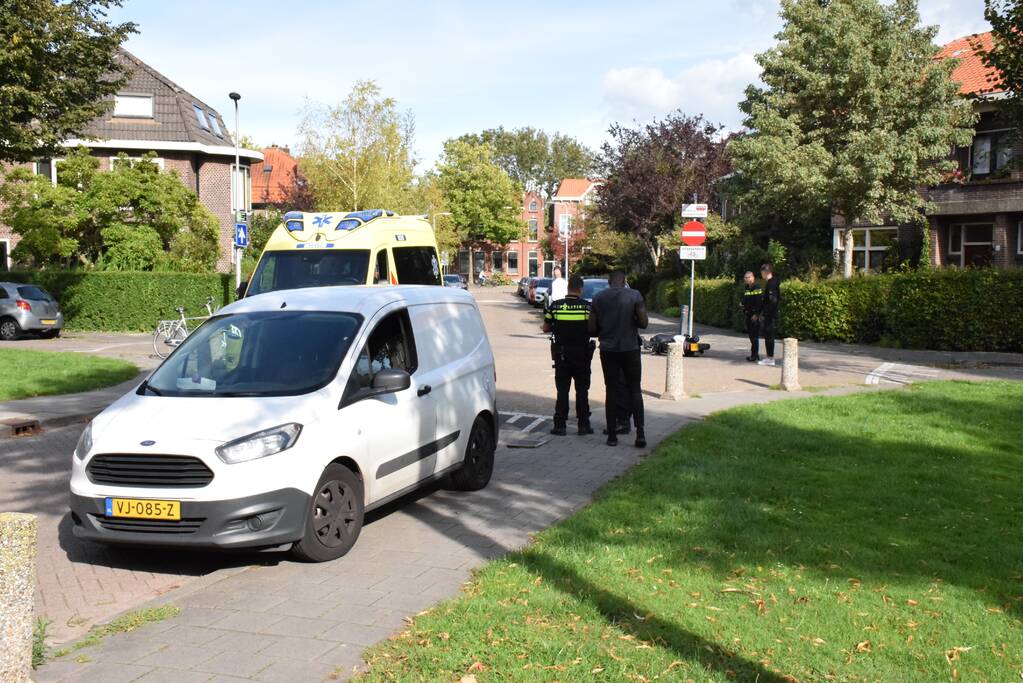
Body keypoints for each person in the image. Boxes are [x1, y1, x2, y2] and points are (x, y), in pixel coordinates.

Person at [588, 271, 648, 448]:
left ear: (608, 282)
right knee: (635, 391)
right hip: (630, 348)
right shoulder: (635, 295)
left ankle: (612, 436)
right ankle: (640, 434)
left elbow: (591, 329)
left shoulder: (598, 298)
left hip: (608, 349)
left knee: (611, 391)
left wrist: (604, 329)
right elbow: (644, 323)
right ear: (625, 282)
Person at [542, 275, 594, 436]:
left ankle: (560, 425)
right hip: (582, 355)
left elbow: (545, 328)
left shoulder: (556, 306)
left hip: (562, 354)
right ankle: (583, 425)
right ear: (581, 289)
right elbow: (593, 329)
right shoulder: (587, 307)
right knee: (582, 391)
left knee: (562, 391)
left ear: (568, 288)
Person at [758, 263, 780, 366]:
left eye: (762, 272)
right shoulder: (772, 282)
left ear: (766, 272)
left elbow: (772, 301)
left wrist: (765, 313)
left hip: (770, 315)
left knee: (769, 335)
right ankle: (769, 357)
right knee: (768, 335)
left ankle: (770, 358)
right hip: (770, 314)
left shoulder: (771, 284)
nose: (761, 274)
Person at [740, 271, 763, 362]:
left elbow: (759, 302)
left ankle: (755, 355)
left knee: (754, 336)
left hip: (754, 315)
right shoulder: (747, 288)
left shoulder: (757, 287)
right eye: (745, 278)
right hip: (748, 314)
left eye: (748, 277)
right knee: (751, 335)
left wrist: (756, 314)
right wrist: (742, 304)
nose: (746, 279)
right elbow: (746, 300)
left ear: (753, 278)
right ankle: (754, 354)